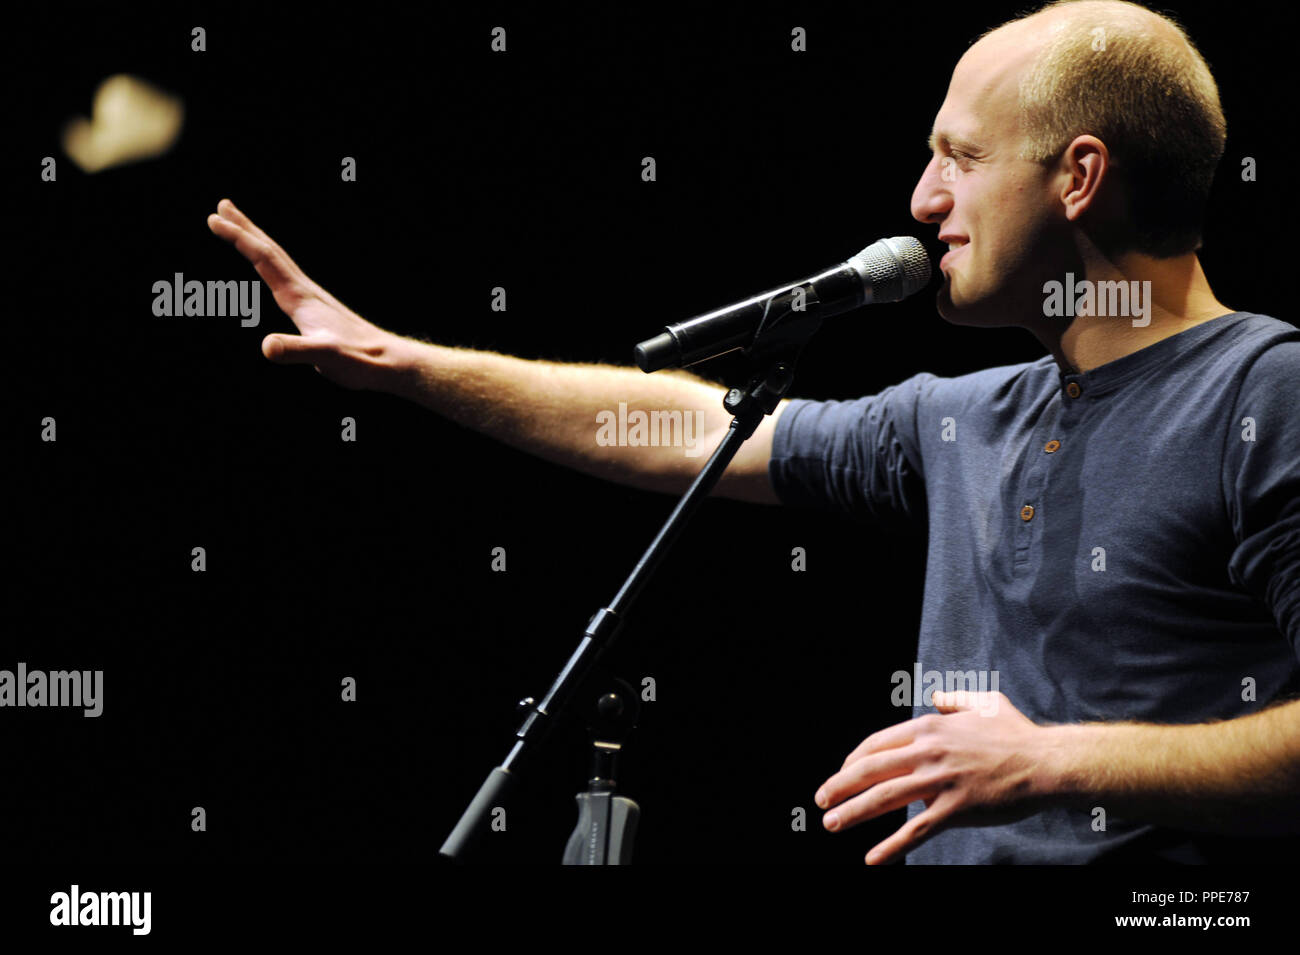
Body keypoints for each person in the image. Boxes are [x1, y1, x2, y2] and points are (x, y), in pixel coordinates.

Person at [208, 0, 1299, 864]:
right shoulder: (964, 416)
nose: (922, 199)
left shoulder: (1265, 389)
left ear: (1079, 175)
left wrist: (1059, 762)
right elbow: (689, 431)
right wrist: (408, 364)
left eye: (958, 157)